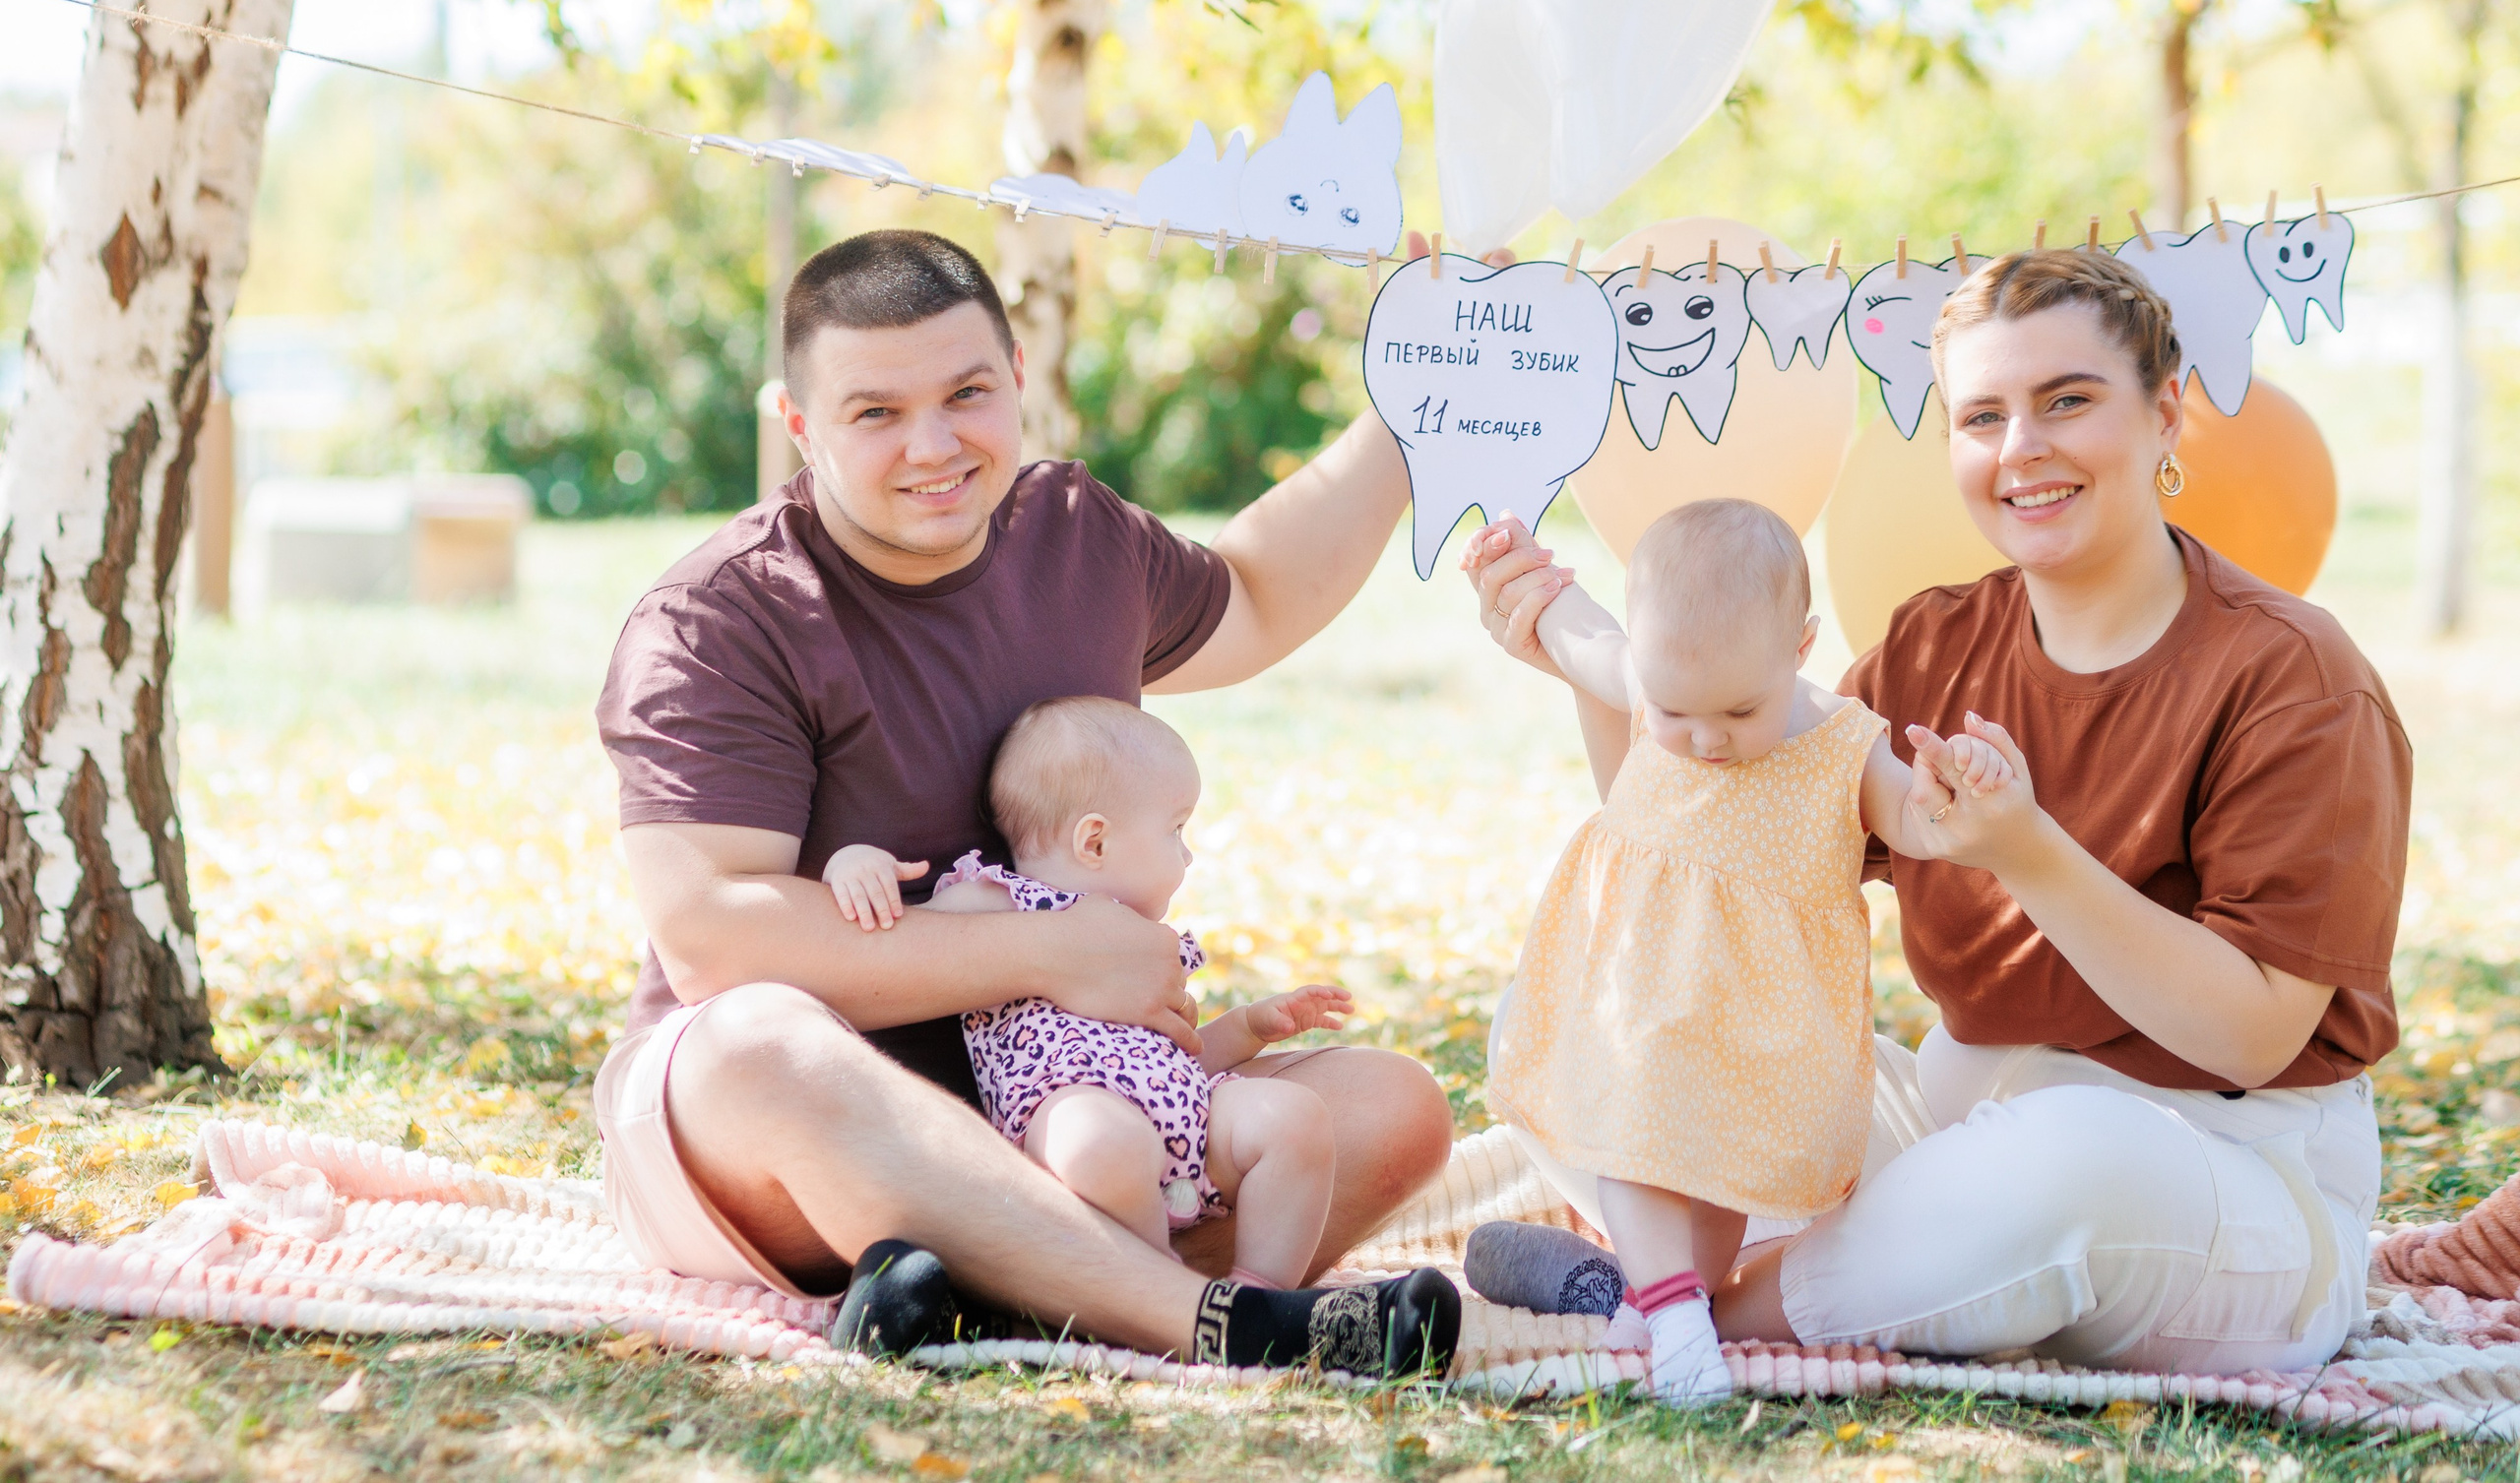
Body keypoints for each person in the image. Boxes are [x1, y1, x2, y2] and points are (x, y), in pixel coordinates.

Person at [1464, 248, 2409, 1375]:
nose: (2022, 450)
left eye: (2067, 401)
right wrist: (1606, 676)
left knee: (2063, 1166)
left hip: (2216, 1174)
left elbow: (2250, 1033)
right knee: (1598, 1004)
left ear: (2165, 418)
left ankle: (1680, 1306)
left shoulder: (2291, 674)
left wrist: (2028, 851)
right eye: (1982, 416)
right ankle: (1748, 1281)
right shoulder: (1934, 642)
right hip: (1955, 1137)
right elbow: (1703, 843)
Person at [593, 228, 1458, 1376]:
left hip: (1065, 1116)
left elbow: (1252, 593)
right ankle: (1208, 1323)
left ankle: (978, 1294)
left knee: (1389, 1109)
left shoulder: (1071, 534)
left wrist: (1416, 399)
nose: (934, 446)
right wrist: (1044, 957)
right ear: (800, 427)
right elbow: (711, 938)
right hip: (793, 1146)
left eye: (967, 394)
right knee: (756, 1044)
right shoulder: (720, 619)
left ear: (1016, 377)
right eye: (875, 414)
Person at [1465, 499, 2008, 1402]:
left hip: (1764, 1018)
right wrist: (1522, 566)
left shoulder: (1843, 742)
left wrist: (1956, 794)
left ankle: (1668, 1301)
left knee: (1726, 1178)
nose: (1707, 738)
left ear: (1799, 648)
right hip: (1639, 989)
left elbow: (1915, 822)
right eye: (1677, 711)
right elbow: (1574, 627)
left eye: (1739, 710)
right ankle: (1674, 1311)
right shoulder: (1644, 674)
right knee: (1631, 1139)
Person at [845, 695, 1358, 1291]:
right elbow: (906, 941)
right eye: (1176, 829)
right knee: (1101, 1143)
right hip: (1070, 1127)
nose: (1188, 853)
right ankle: (1162, 1296)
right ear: (1094, 842)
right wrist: (857, 865)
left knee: (1294, 1117)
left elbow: (1175, 1058)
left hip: (1185, 1123)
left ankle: (1259, 1296)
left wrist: (1248, 1027)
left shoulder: (1140, 942)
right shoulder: (998, 901)